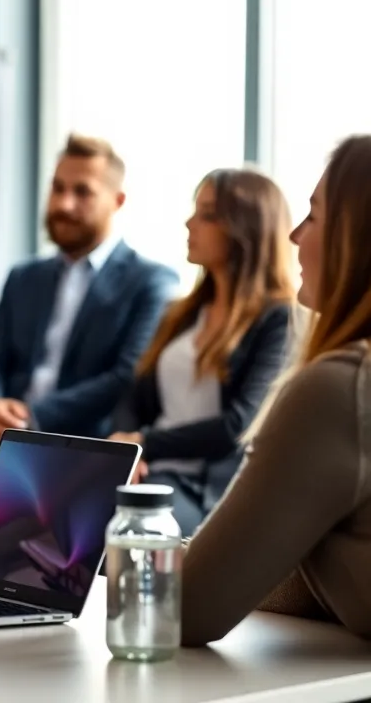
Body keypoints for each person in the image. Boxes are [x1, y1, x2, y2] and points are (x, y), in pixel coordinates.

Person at [0, 134, 178, 551]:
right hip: (3, 452)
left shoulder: (152, 282)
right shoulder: (25, 276)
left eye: (82, 192)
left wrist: (29, 418)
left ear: (117, 201)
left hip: (81, 457)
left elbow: (124, 376)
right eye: (57, 188)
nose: (64, 203)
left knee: (36, 560)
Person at [181, 136, 371, 646]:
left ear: (355, 238)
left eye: (312, 216)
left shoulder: (341, 387)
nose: (293, 235)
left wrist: (128, 558)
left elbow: (186, 610)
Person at [108, 169, 295, 536]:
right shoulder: (181, 313)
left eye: (207, 215)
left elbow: (238, 426)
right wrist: (126, 449)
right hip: (154, 472)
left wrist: (145, 445)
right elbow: (132, 397)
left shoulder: (278, 320)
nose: (189, 223)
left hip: (209, 489)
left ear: (246, 228)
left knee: (126, 528)